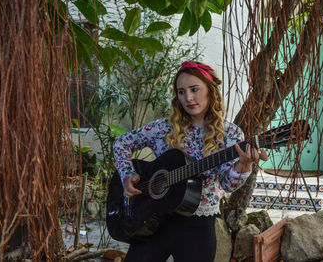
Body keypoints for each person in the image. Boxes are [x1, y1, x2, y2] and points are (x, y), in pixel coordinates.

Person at [113, 61, 268, 262]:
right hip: (152, 219)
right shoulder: (164, 128)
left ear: (210, 91)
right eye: (181, 92)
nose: (188, 98)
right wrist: (126, 175)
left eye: (194, 89)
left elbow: (227, 185)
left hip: (197, 227)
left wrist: (244, 164)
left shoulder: (230, 134)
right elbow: (121, 143)